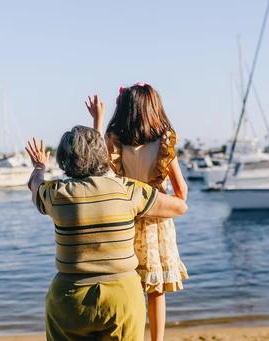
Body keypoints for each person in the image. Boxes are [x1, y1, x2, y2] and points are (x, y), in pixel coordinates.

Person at [25, 126, 188, 341]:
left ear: (64, 160)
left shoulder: (56, 194)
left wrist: (39, 167)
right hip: (122, 297)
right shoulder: (128, 190)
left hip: (69, 298)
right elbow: (179, 207)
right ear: (102, 155)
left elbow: (34, 184)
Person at [85, 84, 189, 341]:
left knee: (126, 285)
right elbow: (182, 192)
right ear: (154, 107)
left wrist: (97, 120)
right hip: (157, 221)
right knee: (156, 291)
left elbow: (94, 163)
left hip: (125, 219)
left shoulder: (115, 140)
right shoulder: (164, 142)